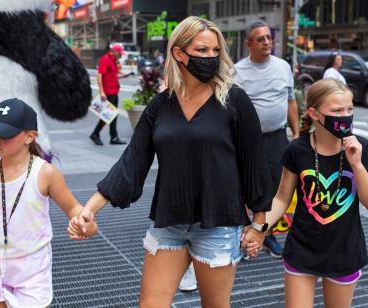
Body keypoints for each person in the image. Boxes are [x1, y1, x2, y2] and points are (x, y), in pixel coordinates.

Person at [68, 16, 270, 307]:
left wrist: (259, 224)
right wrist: (90, 209)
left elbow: (254, 163)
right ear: (179, 52)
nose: (211, 57)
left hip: (219, 223)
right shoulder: (161, 105)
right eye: (202, 50)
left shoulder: (235, 101)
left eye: (215, 51)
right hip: (169, 222)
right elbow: (132, 161)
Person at [248, 78, 368, 307]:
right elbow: (282, 198)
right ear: (314, 113)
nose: (345, 115)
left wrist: (357, 164)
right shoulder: (297, 150)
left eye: (350, 109)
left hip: (345, 252)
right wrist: (258, 227)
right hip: (302, 250)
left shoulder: (362, 147)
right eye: (337, 110)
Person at [0, 98, 96, 307]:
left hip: (31, 273)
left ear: (30, 137)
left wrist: (86, 224)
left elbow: (74, 208)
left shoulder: (45, 173)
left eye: (4, 134)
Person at [235, 20, 300, 258]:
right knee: (245, 186)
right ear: (249, 44)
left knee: (275, 187)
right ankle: (244, 235)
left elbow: (291, 101)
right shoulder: (237, 71)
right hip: (247, 141)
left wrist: (297, 132)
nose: (266, 42)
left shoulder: (283, 66)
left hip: (277, 138)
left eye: (269, 38)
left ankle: (266, 234)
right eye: (260, 39)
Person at [90, 43, 128, 146]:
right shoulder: (105, 59)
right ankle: (95, 134)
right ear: (114, 52)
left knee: (112, 115)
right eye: (120, 53)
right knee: (107, 115)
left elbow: (110, 76)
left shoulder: (113, 61)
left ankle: (113, 137)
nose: (121, 55)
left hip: (114, 92)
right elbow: (99, 76)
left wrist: (121, 77)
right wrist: (101, 91)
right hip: (108, 93)